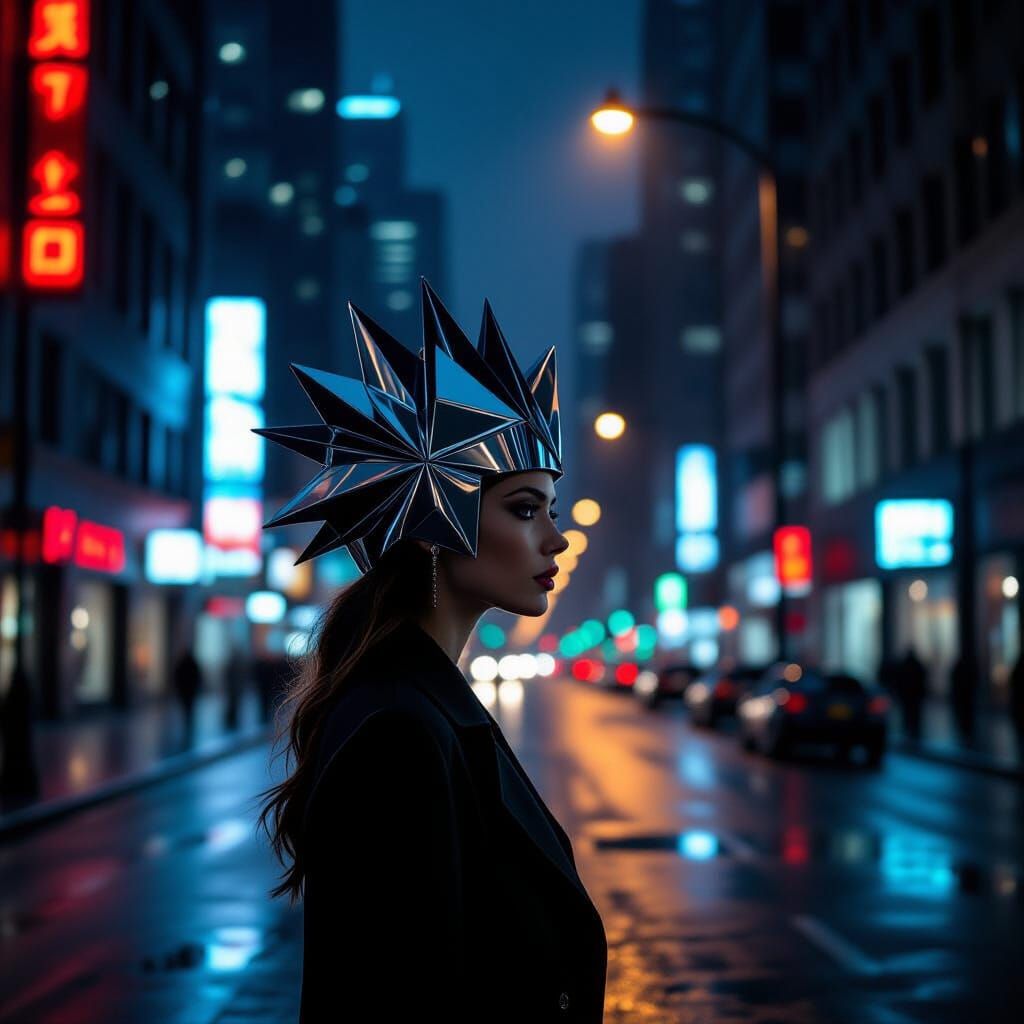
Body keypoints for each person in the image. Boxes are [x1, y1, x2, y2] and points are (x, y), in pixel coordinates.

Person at [255, 281, 607, 1023]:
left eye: (553, 509)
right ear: (433, 524)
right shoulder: (400, 734)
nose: (556, 538)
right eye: (524, 509)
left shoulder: (422, 707)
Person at [171, 647, 202, 746]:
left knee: (186, 707)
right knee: (189, 707)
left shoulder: (183, 663)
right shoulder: (192, 663)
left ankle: (187, 722)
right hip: (189, 691)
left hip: (185, 690)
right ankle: (188, 722)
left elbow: (177, 675)